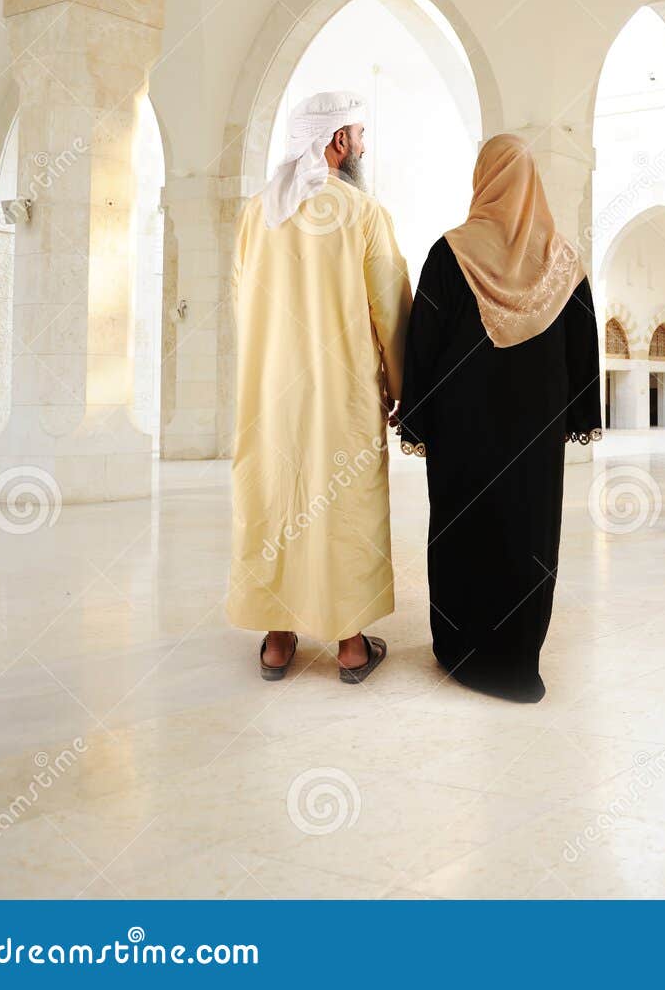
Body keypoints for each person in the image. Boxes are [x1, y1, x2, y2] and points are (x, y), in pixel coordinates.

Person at [396, 133, 601, 701]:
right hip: (535, 439)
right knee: (528, 530)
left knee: (464, 527)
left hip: (464, 434)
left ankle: (460, 649)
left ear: (483, 179)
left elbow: (424, 343)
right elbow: (583, 352)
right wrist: (573, 417)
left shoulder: (450, 253)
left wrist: (418, 416)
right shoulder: (565, 265)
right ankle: (517, 653)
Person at [227, 90, 412, 684]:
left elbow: (239, 300)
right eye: (358, 134)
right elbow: (391, 308)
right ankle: (351, 645)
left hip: (270, 390)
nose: (363, 145)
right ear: (337, 142)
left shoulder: (259, 212)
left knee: (277, 495)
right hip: (342, 393)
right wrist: (404, 384)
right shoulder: (362, 212)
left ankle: (278, 640)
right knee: (340, 504)